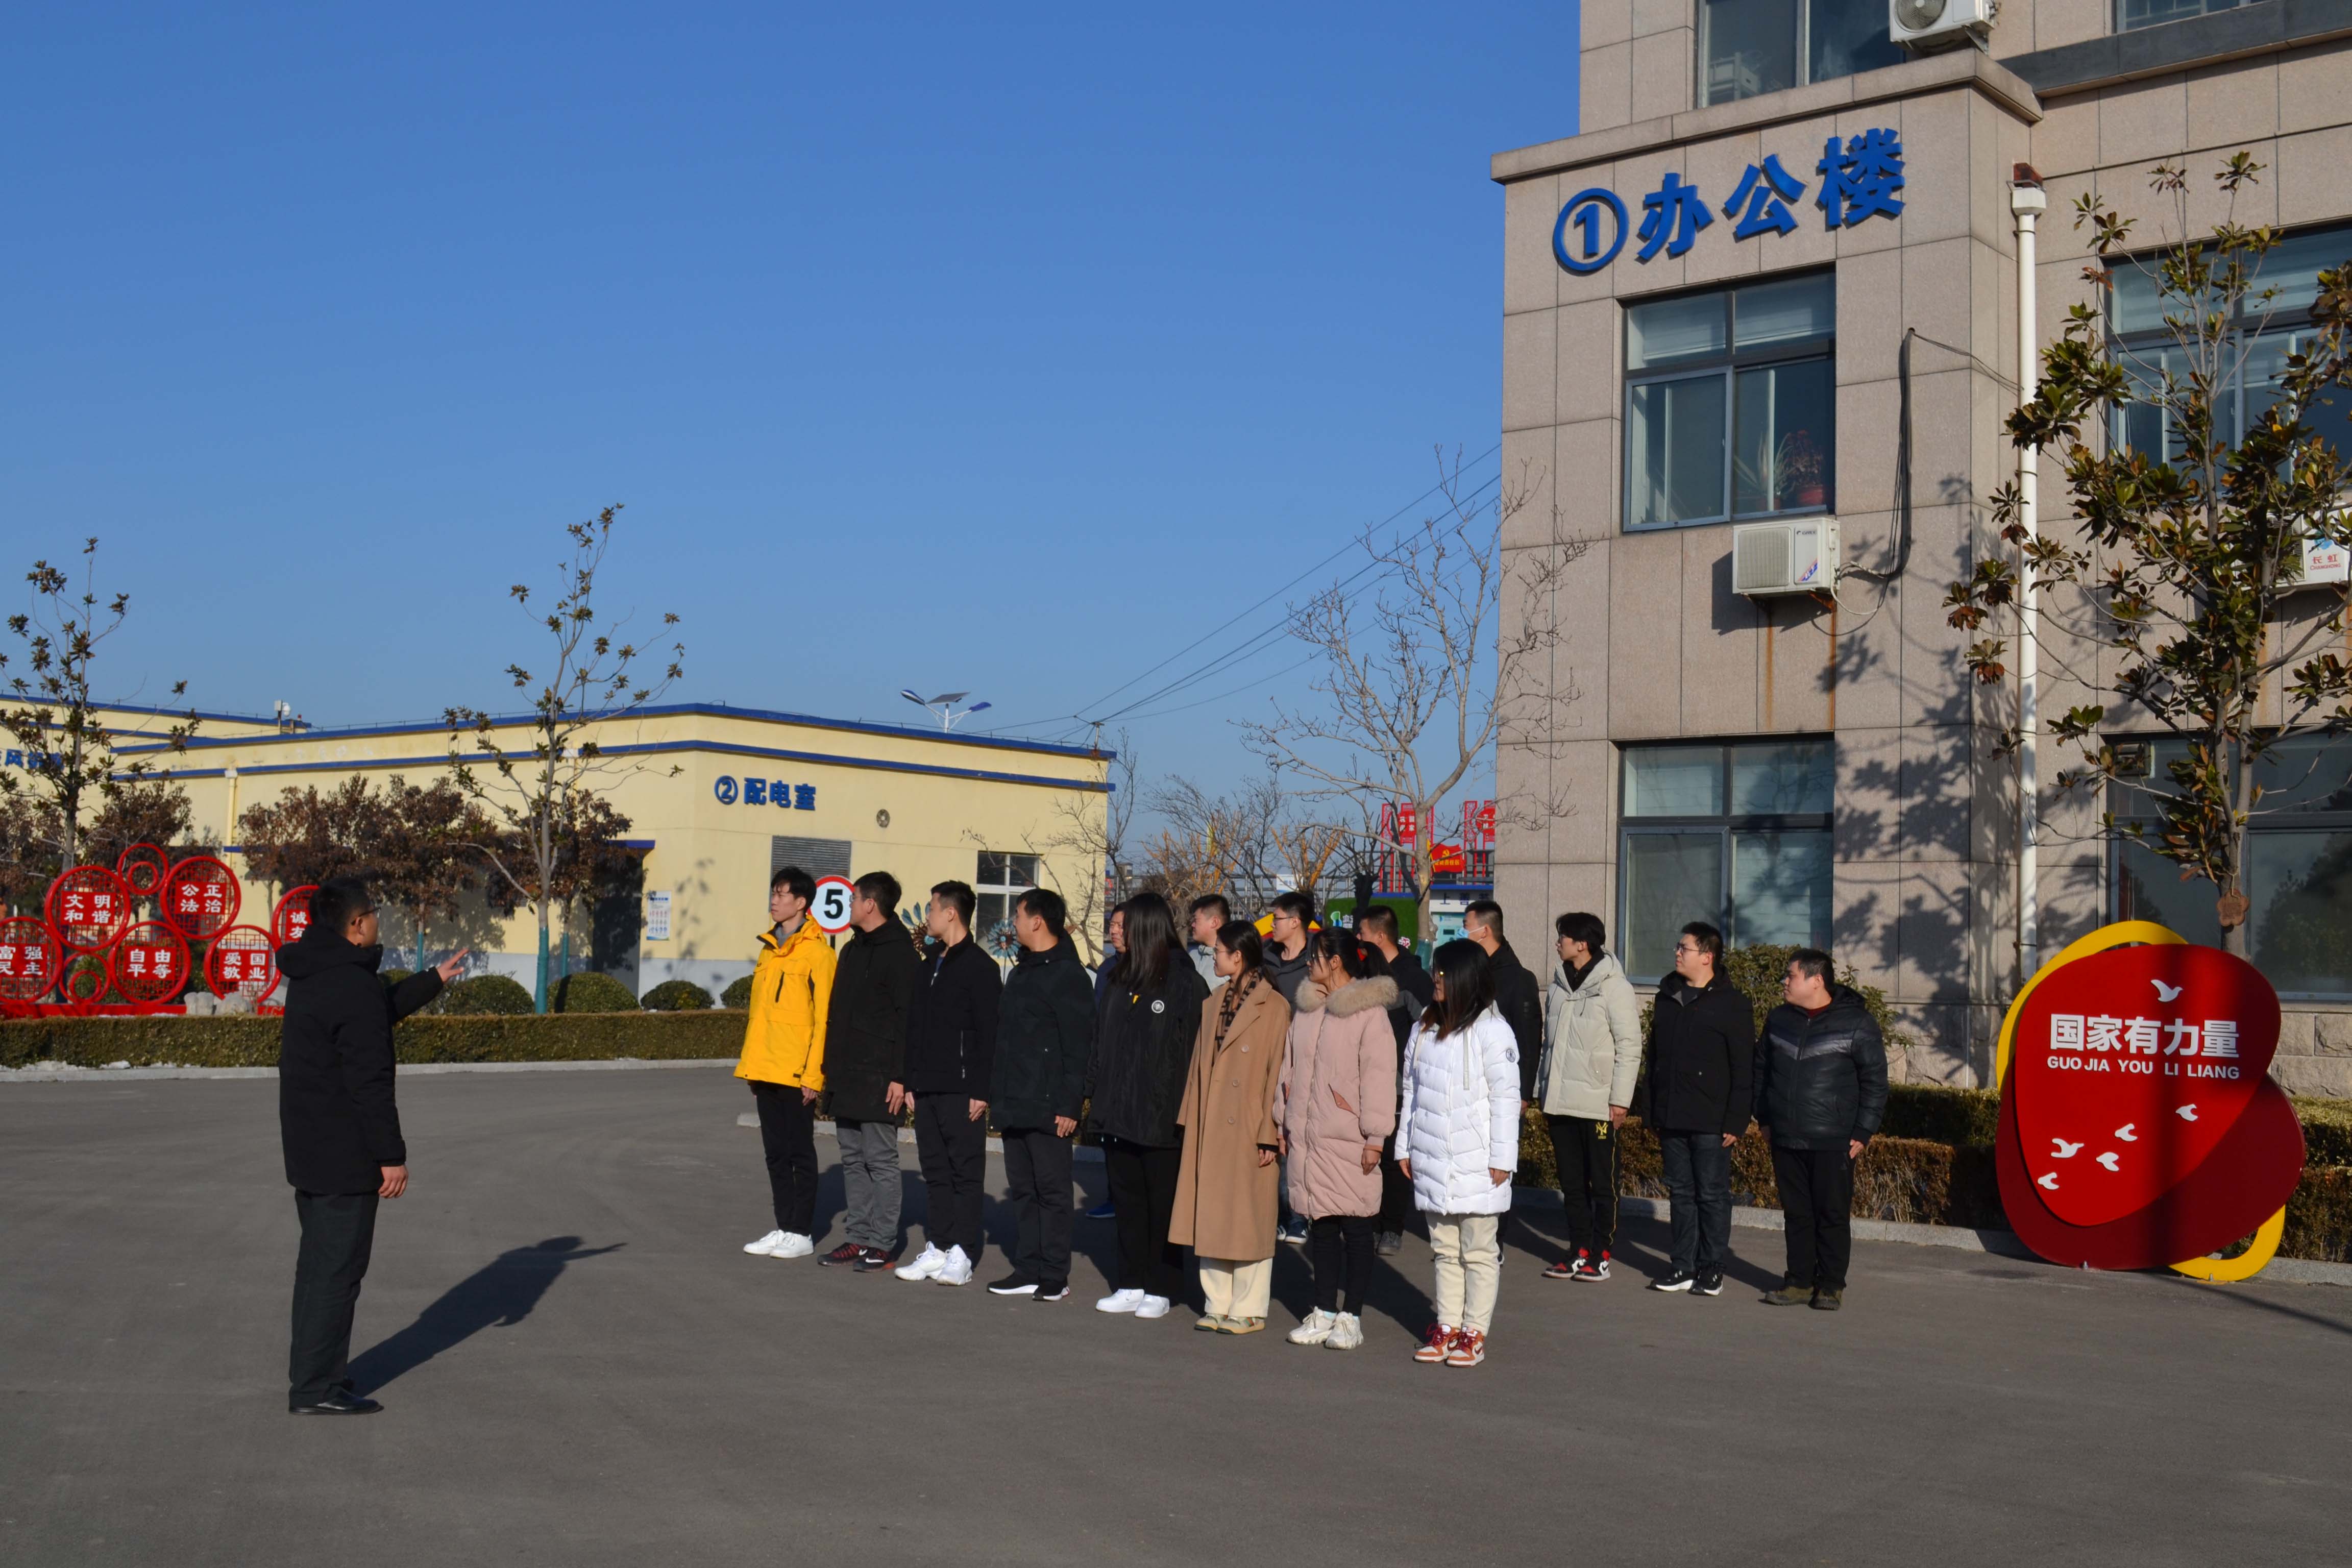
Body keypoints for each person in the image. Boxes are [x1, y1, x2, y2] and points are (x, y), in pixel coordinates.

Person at [277, 875, 467, 1414]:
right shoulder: (351, 983)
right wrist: (391, 1156)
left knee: (318, 1270)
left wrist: (431, 980)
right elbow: (370, 1080)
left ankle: (316, 1375)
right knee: (337, 1275)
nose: (378, 921)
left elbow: (372, 1012)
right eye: (374, 913)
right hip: (345, 1154)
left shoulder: (316, 973)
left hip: (311, 1149)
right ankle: (316, 1390)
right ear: (357, 925)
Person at [1084, 892, 1209, 1319]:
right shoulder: (1119, 979)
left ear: (1149, 929)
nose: (1118, 932)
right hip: (1117, 1115)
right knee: (1128, 1205)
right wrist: (1093, 1096)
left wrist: (1184, 1114)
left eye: (1128, 925)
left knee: (1163, 1209)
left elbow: (1192, 1058)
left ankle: (1161, 1287)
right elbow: (1100, 1045)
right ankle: (1131, 1282)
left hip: (1162, 1121)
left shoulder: (1184, 983)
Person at [1397, 939, 1519, 1368]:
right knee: (1445, 1250)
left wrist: (1503, 1159)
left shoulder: (1493, 1031)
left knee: (1480, 1251)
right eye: (1436, 971)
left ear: (1467, 978)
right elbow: (1411, 1091)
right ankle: (1447, 1326)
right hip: (1432, 1156)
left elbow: (1507, 1099)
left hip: (1478, 1161)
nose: (1436, 979)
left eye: (1444, 973)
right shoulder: (1424, 1028)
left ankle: (1474, 1332)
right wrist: (1404, 1145)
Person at [1278, 929, 1398, 1351]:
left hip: (1351, 1136)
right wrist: (1282, 1122)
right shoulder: (1307, 1010)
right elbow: (1288, 1071)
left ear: (1336, 962)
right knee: (1323, 1226)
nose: (1309, 963)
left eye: (1316, 957)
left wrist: (1376, 1138)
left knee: (1357, 1228)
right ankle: (1324, 1310)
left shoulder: (1369, 1014)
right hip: (1310, 1137)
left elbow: (1380, 1077)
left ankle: (1352, 1317)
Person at [1169, 922, 1290, 1334]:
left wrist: (1269, 1133)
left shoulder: (1274, 1006)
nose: (1214, 957)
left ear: (1237, 957)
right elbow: (1197, 1067)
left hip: (1249, 1125)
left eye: (1219, 951)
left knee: (1248, 1218)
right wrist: (1189, 1118)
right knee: (1214, 1214)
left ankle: (1250, 1308)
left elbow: (1277, 1074)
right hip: (1211, 1122)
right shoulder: (1214, 1001)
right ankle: (1217, 1302)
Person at [1754, 948, 1889, 1311]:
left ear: (1816, 980)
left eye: (1791, 975)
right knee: (1797, 1214)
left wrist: (1863, 1130)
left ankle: (1830, 1285)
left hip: (1834, 1139)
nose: (1785, 981)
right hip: (1786, 1136)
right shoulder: (1779, 1020)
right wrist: (1764, 1118)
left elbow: (1875, 1082)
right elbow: (1760, 1071)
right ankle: (1799, 1282)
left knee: (1831, 1214)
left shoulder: (1857, 1023)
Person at [986, 888, 1095, 1301]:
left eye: (1018, 914)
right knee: (1023, 1189)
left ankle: (1054, 1274)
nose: (1013, 922)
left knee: (1052, 1191)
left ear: (1037, 920)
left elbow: (1078, 1046)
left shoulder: (1069, 975)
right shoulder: (1021, 972)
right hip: (1015, 1100)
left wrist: (1071, 1104)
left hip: (1050, 1105)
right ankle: (1028, 1268)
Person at [895, 879, 1002, 1287]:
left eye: (932, 909)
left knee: (965, 1173)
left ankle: (962, 1251)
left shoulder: (980, 967)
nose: (928, 916)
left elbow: (988, 1034)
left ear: (951, 913)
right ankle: (938, 1246)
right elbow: (914, 1027)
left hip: (962, 1089)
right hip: (926, 1086)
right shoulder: (929, 964)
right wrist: (910, 1079)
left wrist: (981, 1089)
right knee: (935, 1171)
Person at [1643, 921, 1754, 1296]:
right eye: (1678, 946)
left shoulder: (1732, 1004)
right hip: (1672, 1115)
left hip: (1712, 1119)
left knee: (1712, 1194)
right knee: (1680, 1194)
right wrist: (1651, 1109)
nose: (1677, 952)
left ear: (1707, 956)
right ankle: (1682, 1266)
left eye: (1684, 948)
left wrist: (1737, 1119)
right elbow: (1654, 1059)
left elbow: (1743, 1067)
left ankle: (1712, 1267)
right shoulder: (1667, 997)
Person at [816, 871, 921, 1271]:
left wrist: (900, 1076)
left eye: (854, 898)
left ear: (871, 904)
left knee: (880, 1160)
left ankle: (881, 1242)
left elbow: (908, 1020)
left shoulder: (901, 955)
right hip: (846, 1075)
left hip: (880, 1077)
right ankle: (857, 1236)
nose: (849, 905)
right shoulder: (851, 950)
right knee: (852, 1158)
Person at [739, 865, 838, 1263]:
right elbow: (759, 1016)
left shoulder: (819, 954)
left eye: (782, 895)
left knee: (800, 1153)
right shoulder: (769, 950)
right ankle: (783, 1227)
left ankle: (801, 1231)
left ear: (801, 902)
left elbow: (824, 1020)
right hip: (765, 1068)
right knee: (775, 1154)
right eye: (773, 893)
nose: (774, 901)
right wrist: (752, 1067)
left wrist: (814, 1075)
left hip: (797, 1074)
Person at [1536, 912, 1642, 1283]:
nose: (1558, 943)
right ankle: (1578, 1251)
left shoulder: (1614, 987)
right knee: (1571, 1183)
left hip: (1599, 1104)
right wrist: (1542, 1090)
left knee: (1602, 1183)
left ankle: (1601, 1254)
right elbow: (1549, 1045)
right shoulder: (1557, 986)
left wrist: (1620, 1100)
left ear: (1582, 944)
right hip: (1560, 1101)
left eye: (1563, 937)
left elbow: (1629, 1046)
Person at [1463, 899, 1539, 1262]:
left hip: (1502, 1090)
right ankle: (1470, 1239)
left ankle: (1494, 1244)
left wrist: (1523, 1093)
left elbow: (1529, 1039)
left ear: (1486, 931)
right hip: (1468, 1088)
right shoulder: (1471, 972)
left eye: (1467, 927)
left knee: (1498, 1168)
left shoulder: (1518, 979)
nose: (1464, 933)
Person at [1358, 905, 1430, 1256]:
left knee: (1392, 1156)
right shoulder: (1364, 974)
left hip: (1400, 1083)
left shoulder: (1412, 978)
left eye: (1362, 933)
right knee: (1367, 1153)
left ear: (1380, 936)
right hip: (1366, 1081)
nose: (1358, 938)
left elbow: (1428, 1030)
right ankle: (1369, 1222)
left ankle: (1392, 1228)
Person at [1083, 901, 1131, 1221]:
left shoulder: (1150, 969)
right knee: (1110, 1139)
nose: (1114, 931)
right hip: (1108, 1067)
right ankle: (1115, 1197)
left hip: (1135, 1071)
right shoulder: (1106, 969)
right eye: (1111, 925)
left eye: (1120, 926)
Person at [1261, 891, 1316, 1007]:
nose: (1272, 925)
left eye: (1276, 919)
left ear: (1294, 922)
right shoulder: (1264, 957)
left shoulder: (1317, 962)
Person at [1186, 894, 1231, 990]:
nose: (1193, 925)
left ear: (1214, 923)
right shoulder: (1191, 956)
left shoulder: (1231, 962)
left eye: (1196, 920)